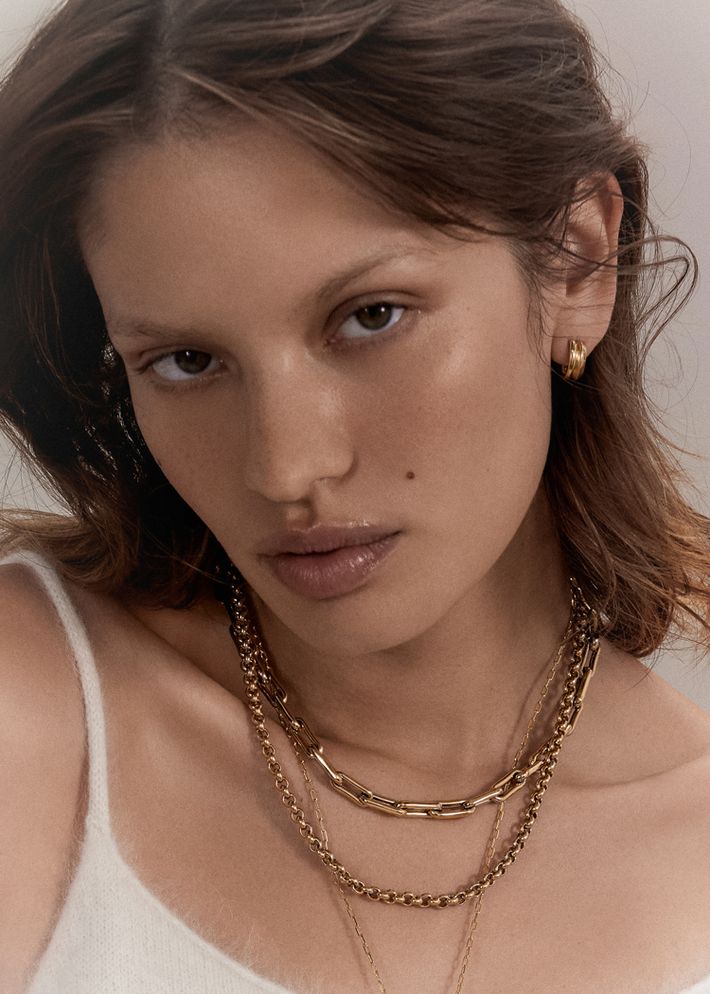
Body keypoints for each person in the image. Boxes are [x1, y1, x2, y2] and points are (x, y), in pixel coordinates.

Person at [0, 0, 708, 992]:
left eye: (371, 316)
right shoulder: (34, 707)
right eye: (187, 361)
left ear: (578, 259)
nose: (285, 470)